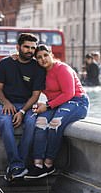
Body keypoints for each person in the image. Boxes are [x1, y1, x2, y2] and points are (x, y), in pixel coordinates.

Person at [25, 44, 89, 179]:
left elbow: (69, 93)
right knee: (40, 122)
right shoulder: (40, 73)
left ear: (51, 55)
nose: (43, 59)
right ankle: (38, 165)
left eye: (45, 55)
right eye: (39, 57)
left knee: (55, 123)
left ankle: (49, 165)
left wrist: (47, 106)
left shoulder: (62, 68)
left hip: (77, 101)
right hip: (56, 104)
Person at [0, 33, 45, 181]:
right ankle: (17, 165)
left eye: (33, 48)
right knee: (4, 121)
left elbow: (35, 96)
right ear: (18, 47)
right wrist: (6, 103)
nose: (30, 50)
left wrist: (22, 111)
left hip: (27, 105)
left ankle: (17, 165)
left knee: (30, 122)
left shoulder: (38, 68)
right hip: (7, 102)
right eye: (26, 47)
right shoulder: (5, 63)